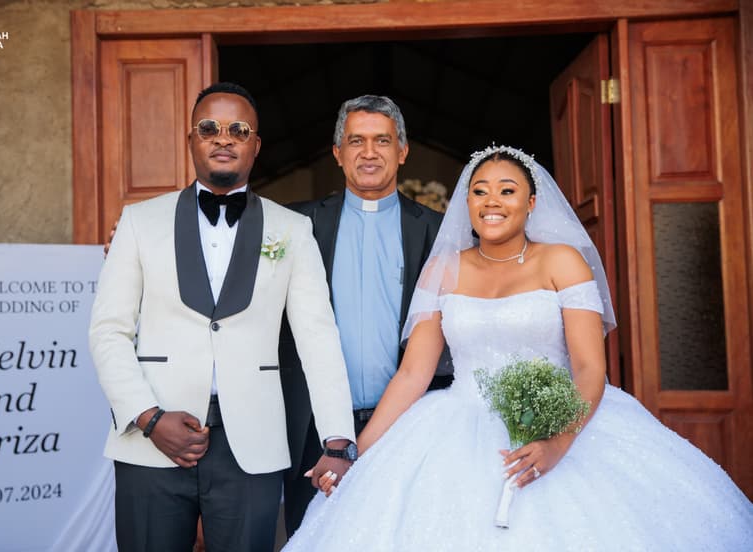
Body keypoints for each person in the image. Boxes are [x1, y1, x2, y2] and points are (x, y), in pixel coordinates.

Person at [283, 145, 753, 550]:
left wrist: (557, 443)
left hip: (560, 424)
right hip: (453, 427)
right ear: (466, 201)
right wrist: (355, 456)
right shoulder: (444, 269)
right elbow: (412, 375)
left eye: (506, 190)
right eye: (480, 190)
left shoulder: (562, 262)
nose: (492, 201)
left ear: (530, 202)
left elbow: (591, 370)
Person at [89, 82, 356, 552]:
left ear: (255, 146)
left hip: (251, 443)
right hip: (150, 439)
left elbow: (317, 337)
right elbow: (108, 332)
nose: (224, 137)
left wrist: (337, 441)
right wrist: (150, 418)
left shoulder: (292, 230)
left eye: (239, 129)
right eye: (209, 127)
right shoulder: (138, 222)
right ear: (191, 140)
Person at [279, 95, 453, 535]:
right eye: (356, 141)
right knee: (315, 537)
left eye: (382, 140)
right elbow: (225, 247)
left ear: (403, 150)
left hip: (408, 424)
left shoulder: (439, 232)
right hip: (311, 430)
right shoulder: (294, 225)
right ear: (338, 154)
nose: (370, 152)